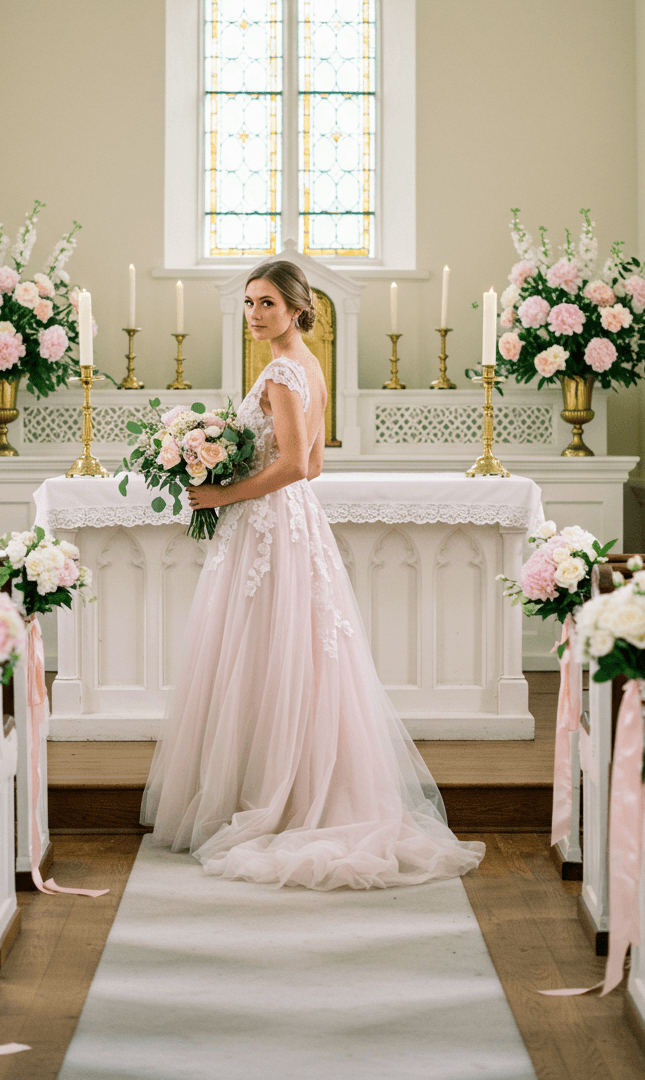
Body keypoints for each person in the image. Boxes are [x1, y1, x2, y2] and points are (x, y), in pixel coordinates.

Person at [141, 259, 485, 890]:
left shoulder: (280, 372)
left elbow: (298, 464)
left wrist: (222, 493)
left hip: (268, 523)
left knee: (266, 647)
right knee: (288, 650)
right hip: (289, 520)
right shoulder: (309, 366)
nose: (254, 314)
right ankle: (294, 784)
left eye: (267, 303)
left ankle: (271, 797)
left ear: (298, 309)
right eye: (249, 302)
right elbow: (316, 465)